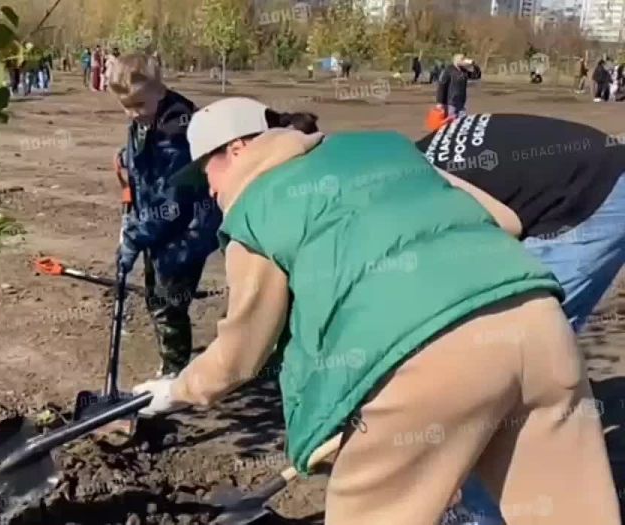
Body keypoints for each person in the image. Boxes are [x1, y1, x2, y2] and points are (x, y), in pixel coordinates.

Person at [131, 97, 620, 525]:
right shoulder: (384, 148)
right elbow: (504, 219)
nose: (208, 189)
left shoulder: (255, 212)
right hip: (538, 327)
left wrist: (176, 391)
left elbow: (240, 356)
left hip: (425, 359)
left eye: (206, 173)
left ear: (237, 149)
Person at [418, 113, 625, 523]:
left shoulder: (414, 199)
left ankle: (480, 513)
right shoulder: (406, 163)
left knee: (508, 364)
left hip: (592, 200)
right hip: (586, 176)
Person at [107, 54, 222, 377]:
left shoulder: (177, 133)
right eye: (126, 107)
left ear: (161, 90)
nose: (133, 114)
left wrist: (133, 239)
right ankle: (172, 359)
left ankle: (174, 374)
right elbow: (144, 167)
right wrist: (128, 159)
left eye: (139, 105)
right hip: (158, 225)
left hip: (188, 230)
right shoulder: (147, 117)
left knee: (169, 302)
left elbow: (171, 204)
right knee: (155, 295)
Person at [436, 53, 481, 118]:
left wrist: (474, 65)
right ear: (456, 60)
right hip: (451, 102)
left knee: (461, 121)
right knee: (451, 122)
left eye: (464, 59)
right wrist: (440, 102)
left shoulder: (463, 71)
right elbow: (442, 86)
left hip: (461, 101)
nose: (464, 61)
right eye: (462, 59)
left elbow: (476, 76)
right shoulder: (448, 70)